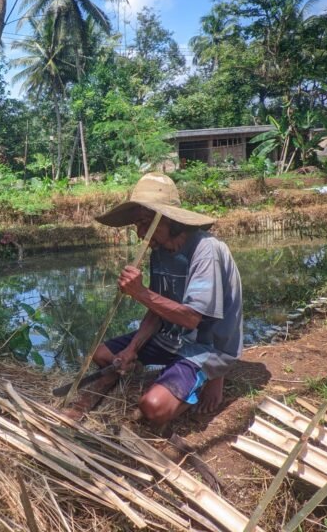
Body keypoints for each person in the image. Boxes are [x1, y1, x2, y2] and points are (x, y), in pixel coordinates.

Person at [65, 172, 243, 427]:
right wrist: (132, 349)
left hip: (206, 345)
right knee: (103, 355)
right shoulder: (160, 250)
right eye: (137, 225)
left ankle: (214, 375)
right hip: (171, 338)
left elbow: (192, 319)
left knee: (154, 408)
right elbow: (158, 309)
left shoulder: (206, 251)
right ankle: (154, 375)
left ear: (171, 220)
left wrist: (140, 292)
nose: (140, 234)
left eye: (146, 223)